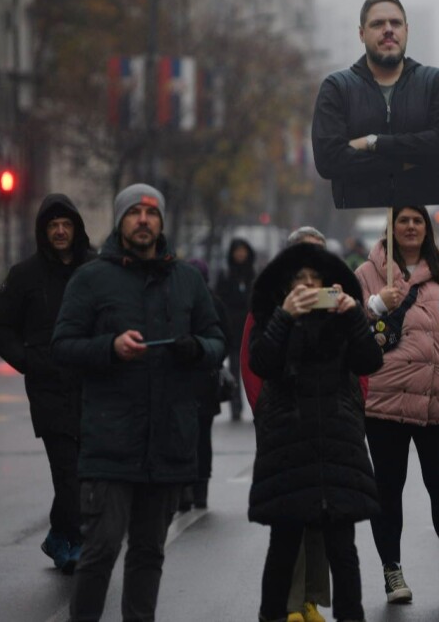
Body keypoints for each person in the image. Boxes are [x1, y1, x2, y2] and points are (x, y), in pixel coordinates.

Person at [52, 184, 226, 622]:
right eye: (134, 213)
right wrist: (110, 346)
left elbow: (216, 340)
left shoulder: (187, 279)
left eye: (151, 212)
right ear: (120, 221)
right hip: (111, 441)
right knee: (101, 550)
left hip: (168, 441)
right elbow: (64, 345)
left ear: (161, 222)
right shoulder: (91, 278)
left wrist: (196, 349)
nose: (143, 220)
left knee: (149, 553)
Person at [247, 242, 383, 622]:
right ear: (287, 287)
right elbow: (263, 363)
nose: (307, 286)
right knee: (284, 547)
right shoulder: (274, 317)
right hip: (290, 446)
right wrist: (284, 317)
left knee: (343, 550)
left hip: (337, 444)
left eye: (315, 280)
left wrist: (355, 314)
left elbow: (370, 361)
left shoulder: (342, 319)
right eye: (299, 281)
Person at [354, 205, 439, 603]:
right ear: (390, 227)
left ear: (427, 227)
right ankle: (392, 572)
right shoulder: (368, 273)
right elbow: (350, 328)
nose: (410, 227)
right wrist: (377, 305)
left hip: (438, 396)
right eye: (402, 220)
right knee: (388, 489)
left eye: (417, 220)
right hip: (386, 400)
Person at [0, 193, 95, 573]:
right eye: (53, 225)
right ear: (44, 231)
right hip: (49, 390)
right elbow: (1, 327)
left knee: (88, 472)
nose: (61, 231)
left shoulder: (95, 269)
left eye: (66, 224)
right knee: (67, 472)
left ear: (77, 228)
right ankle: (75, 542)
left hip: (92, 386)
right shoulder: (25, 276)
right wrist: (30, 362)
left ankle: (59, 534)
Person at [240, 226, 334, 622]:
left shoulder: (338, 301)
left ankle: (312, 597)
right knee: (289, 516)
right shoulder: (268, 303)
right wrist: (267, 412)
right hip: (282, 426)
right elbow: (251, 362)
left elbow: (358, 364)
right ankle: (291, 602)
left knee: (322, 516)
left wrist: (353, 405)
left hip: (327, 424)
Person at [311, 0, 439, 209]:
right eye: (377, 24)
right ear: (362, 34)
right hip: (362, 223)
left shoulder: (436, 82)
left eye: (396, 23)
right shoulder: (337, 88)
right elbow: (329, 161)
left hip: (423, 222)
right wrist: (407, 161)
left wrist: (373, 142)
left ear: (407, 30)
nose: (388, 29)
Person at [177, 259, 232, 513]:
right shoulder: (179, 302)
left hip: (202, 381)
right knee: (192, 438)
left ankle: (195, 488)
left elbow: (224, 340)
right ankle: (191, 487)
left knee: (196, 438)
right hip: (192, 381)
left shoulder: (211, 304)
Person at [215, 238, 256, 421]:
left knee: (252, 369)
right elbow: (219, 301)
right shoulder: (225, 275)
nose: (240, 254)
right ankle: (235, 407)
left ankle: (254, 403)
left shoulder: (253, 275)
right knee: (233, 368)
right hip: (232, 330)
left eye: (243, 251)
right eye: (237, 251)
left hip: (250, 330)